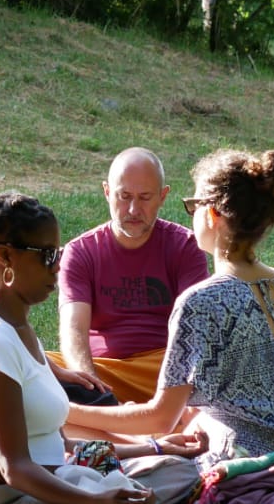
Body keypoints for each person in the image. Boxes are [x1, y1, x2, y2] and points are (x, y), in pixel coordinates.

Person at [0, 194, 203, 504]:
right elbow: (15, 468)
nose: (57, 267)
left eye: (58, 254)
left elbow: (58, 446)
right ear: (6, 257)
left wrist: (155, 447)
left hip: (42, 487)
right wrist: (98, 502)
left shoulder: (21, 330)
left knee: (172, 479)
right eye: (47, 256)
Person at [103, 150, 274, 473]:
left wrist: (66, 411)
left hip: (242, 473)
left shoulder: (201, 302)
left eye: (193, 206)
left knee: (97, 454)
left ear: (211, 214)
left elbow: (160, 418)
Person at [51, 147, 209, 402]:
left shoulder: (185, 246)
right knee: (36, 364)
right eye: (124, 197)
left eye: (145, 198)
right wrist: (92, 387)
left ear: (163, 196)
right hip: (103, 369)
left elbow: (198, 330)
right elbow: (74, 330)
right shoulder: (80, 252)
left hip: (163, 369)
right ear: (107, 192)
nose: (134, 210)